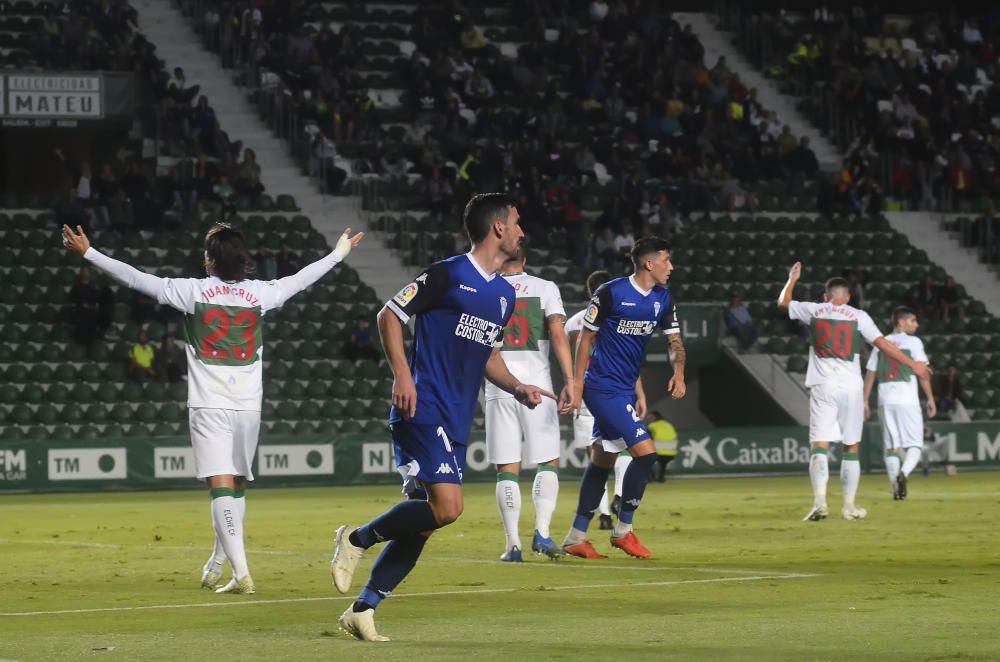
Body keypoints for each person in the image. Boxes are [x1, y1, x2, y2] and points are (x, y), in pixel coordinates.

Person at [62, 222, 364, 595]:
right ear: (243, 261)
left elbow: (136, 278)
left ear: (209, 260)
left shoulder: (192, 291)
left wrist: (89, 253)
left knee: (220, 483)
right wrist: (337, 253)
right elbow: (302, 279)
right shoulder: (260, 294)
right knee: (235, 484)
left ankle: (241, 573)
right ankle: (220, 561)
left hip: (209, 404)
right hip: (249, 406)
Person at [329, 193, 554, 642]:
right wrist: (403, 376)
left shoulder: (504, 294)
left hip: (454, 418)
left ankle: (363, 609)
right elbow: (389, 315)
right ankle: (355, 539)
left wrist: (516, 386)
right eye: (517, 222)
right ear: (498, 229)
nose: (522, 231)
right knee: (448, 508)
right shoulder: (448, 273)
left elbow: (487, 355)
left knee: (426, 520)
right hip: (421, 405)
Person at [562, 237, 688, 560]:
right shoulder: (610, 293)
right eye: (666, 260)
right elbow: (585, 339)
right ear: (649, 264)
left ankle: (576, 536)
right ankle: (624, 531)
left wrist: (680, 372)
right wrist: (576, 386)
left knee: (602, 461)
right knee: (646, 455)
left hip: (624, 390)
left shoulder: (663, 298)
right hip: (602, 388)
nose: (671, 267)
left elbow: (675, 342)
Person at [778, 263, 932, 522]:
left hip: (823, 384)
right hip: (851, 387)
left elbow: (784, 302)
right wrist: (913, 365)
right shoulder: (859, 316)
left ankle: (820, 502)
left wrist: (792, 279)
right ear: (848, 297)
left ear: (826, 296)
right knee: (851, 446)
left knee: (820, 444)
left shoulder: (814, 310)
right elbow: (883, 346)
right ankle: (849, 506)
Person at [485, 247, 574, 562]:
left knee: (507, 467)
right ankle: (543, 533)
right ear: (524, 260)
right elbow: (559, 334)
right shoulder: (545, 288)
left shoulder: (485, 286)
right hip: (539, 386)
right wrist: (571, 382)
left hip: (499, 385)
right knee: (547, 461)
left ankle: (512, 546)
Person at [863, 307, 935, 500]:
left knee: (891, 447)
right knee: (915, 445)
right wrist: (930, 398)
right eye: (913, 321)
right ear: (901, 323)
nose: (917, 324)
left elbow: (871, 373)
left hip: (885, 399)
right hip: (907, 399)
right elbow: (922, 373)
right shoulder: (914, 342)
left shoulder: (881, 342)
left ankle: (897, 489)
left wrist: (865, 401)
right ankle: (904, 474)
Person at [647, 411, 678, 483]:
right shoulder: (668, 424)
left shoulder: (652, 426)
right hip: (671, 452)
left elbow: (647, 438)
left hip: (658, 450)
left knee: (645, 462)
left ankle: (651, 479)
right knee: (663, 465)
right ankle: (661, 478)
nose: (649, 419)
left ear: (655, 417)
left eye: (651, 417)